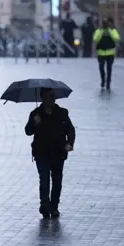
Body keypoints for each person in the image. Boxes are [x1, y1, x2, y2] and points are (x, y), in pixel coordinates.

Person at [24, 88, 75, 218]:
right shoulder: (36, 113)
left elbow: (70, 129)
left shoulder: (62, 113)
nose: (53, 98)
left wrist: (69, 143)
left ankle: (54, 206)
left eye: (54, 96)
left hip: (58, 152)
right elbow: (28, 131)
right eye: (50, 96)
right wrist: (34, 122)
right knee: (44, 178)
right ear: (43, 98)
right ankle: (45, 205)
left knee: (57, 180)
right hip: (41, 152)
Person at [93, 18, 120, 91]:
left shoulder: (113, 30)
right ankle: (103, 80)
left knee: (109, 68)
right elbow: (96, 39)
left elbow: (116, 38)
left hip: (110, 53)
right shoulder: (99, 30)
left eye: (107, 23)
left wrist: (109, 31)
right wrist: (101, 31)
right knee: (101, 67)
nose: (106, 25)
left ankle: (108, 82)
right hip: (101, 53)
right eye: (104, 24)